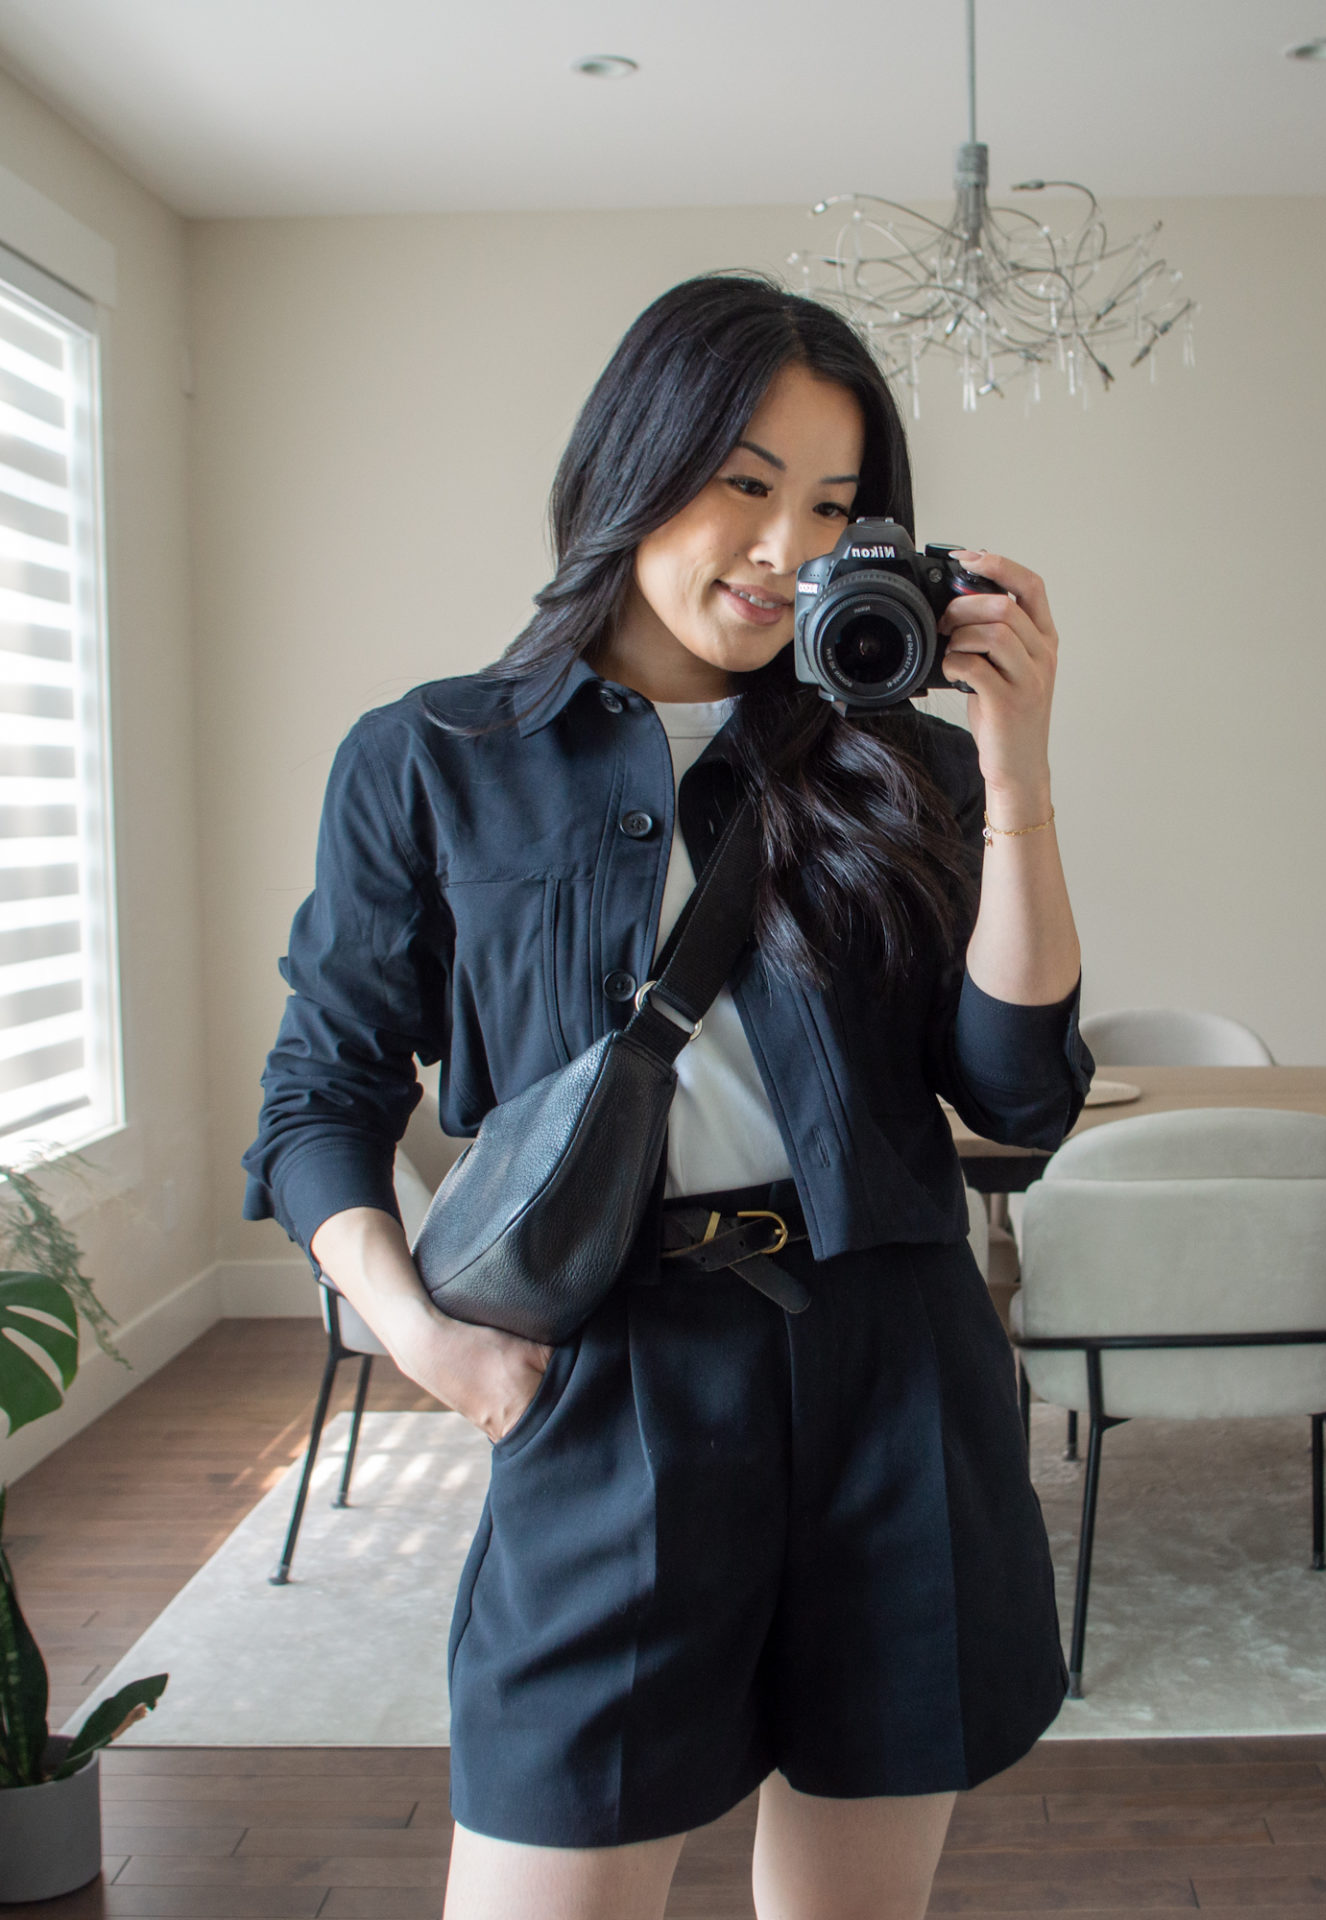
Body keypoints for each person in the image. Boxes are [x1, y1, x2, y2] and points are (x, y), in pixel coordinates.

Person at [242, 273, 1091, 1920]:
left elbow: (1016, 1096)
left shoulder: (897, 760)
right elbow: (319, 1093)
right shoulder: (432, 756)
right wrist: (424, 1339)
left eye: (835, 505)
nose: (786, 548)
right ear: (635, 466)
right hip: (606, 1366)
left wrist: (1019, 770)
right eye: (747, 483)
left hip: (888, 1365)